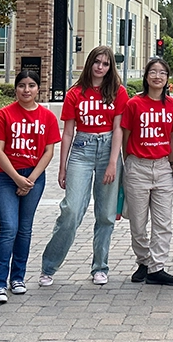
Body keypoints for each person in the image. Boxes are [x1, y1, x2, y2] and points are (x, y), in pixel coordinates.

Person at [39, 46, 126, 287]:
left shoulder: (118, 92)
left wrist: (112, 163)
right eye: (97, 62)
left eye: (106, 63)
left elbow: (118, 128)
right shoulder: (75, 93)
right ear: (90, 63)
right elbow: (67, 133)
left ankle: (100, 266)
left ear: (111, 68)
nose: (100, 67)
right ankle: (49, 266)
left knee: (106, 214)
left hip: (108, 148)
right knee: (71, 210)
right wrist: (62, 166)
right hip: (81, 149)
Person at [0, 70, 60, 303]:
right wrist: (17, 178)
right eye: (21, 86)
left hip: (34, 177)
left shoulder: (47, 117)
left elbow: (49, 151)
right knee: (9, 227)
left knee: (24, 229)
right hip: (6, 177)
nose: (26, 90)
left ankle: (17, 278)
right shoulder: (3, 115)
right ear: (15, 88)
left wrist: (31, 179)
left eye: (31, 85)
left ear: (38, 89)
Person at [121, 57, 173, 286]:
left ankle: (157, 267)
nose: (158, 76)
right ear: (146, 77)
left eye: (162, 73)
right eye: (153, 72)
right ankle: (144, 261)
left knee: (163, 222)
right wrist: (129, 163)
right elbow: (126, 136)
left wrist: (172, 162)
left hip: (163, 167)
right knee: (138, 223)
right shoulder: (134, 104)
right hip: (138, 166)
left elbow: (172, 136)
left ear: (167, 79)